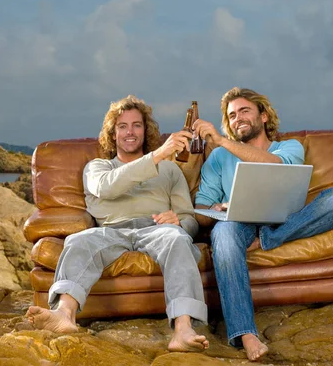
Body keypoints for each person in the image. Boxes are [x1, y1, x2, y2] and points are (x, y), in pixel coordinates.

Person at [26, 95, 209, 352]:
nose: (130, 132)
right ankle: (64, 315)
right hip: (110, 230)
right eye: (122, 126)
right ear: (113, 134)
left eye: (137, 125)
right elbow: (108, 188)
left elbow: (190, 220)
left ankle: (183, 330)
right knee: (78, 240)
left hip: (157, 229)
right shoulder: (97, 167)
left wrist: (180, 221)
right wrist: (158, 156)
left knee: (178, 238)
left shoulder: (170, 171)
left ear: (146, 131)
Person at [193, 87, 333, 361]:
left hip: (286, 219)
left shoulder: (288, 147)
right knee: (222, 232)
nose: (237, 119)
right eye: (231, 116)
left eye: (244, 111)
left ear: (264, 116)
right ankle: (246, 333)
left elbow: (276, 166)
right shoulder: (218, 159)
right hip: (239, 222)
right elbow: (199, 211)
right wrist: (216, 207)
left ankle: (270, 237)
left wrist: (221, 140)